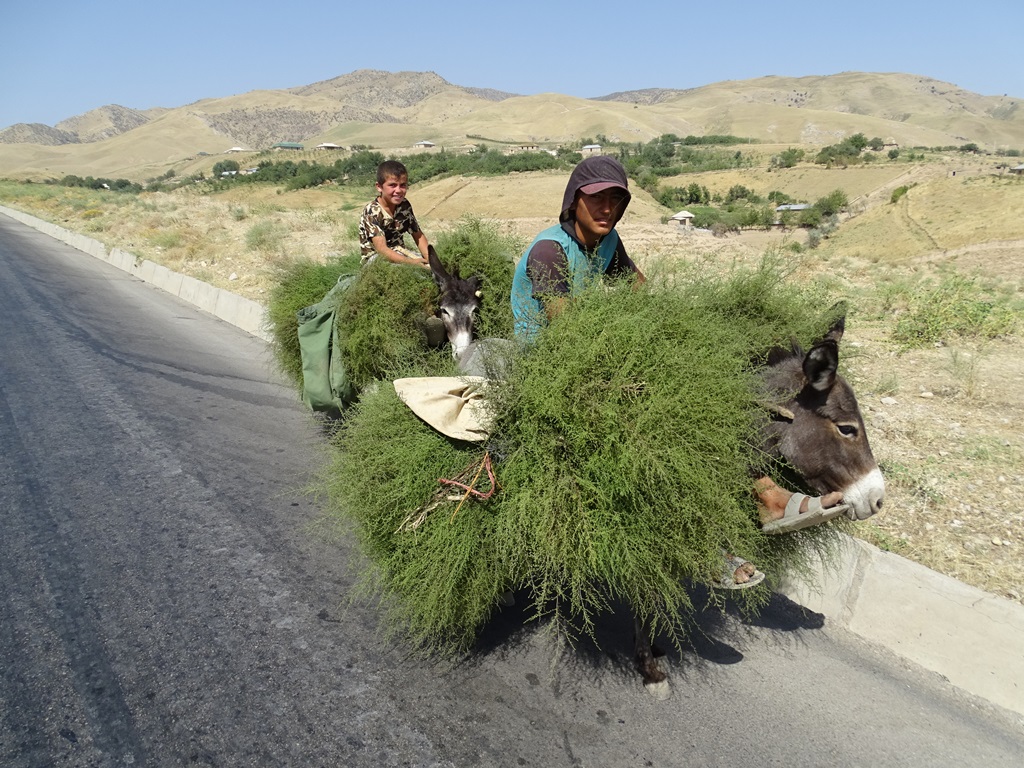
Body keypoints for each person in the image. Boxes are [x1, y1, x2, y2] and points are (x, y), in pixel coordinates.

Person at [510, 155, 845, 587]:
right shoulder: (548, 251)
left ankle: (768, 495)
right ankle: (699, 546)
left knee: (704, 399)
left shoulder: (608, 244)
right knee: (645, 430)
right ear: (574, 201)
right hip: (545, 364)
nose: (607, 208)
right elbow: (569, 327)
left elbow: (643, 294)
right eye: (596, 199)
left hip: (592, 357)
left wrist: (688, 341)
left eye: (616, 199)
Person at [358, 160, 431, 269]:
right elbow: (382, 249)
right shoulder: (372, 211)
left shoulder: (404, 206)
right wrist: (411, 262)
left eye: (402, 185)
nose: (398, 190)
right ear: (379, 187)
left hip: (399, 253)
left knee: (429, 269)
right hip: (376, 260)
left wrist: (430, 260)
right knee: (411, 272)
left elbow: (418, 235)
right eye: (392, 185)